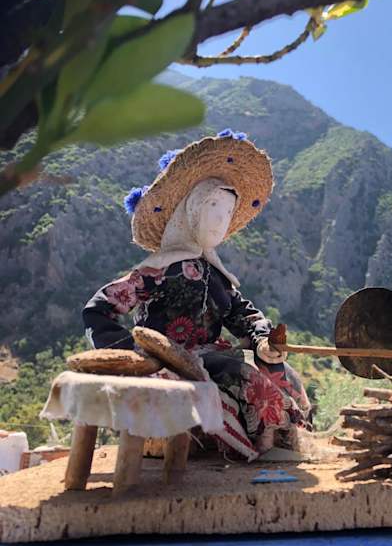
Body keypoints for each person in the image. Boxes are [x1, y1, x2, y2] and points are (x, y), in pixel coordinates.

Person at [82, 129, 311, 460]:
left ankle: (289, 441)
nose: (221, 220)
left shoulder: (217, 275)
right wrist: (134, 356)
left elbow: (243, 315)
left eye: (228, 211)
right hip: (173, 362)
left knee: (285, 373)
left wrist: (263, 341)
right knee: (241, 374)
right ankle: (265, 445)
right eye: (213, 206)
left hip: (210, 357)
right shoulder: (158, 269)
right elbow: (97, 310)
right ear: (189, 210)